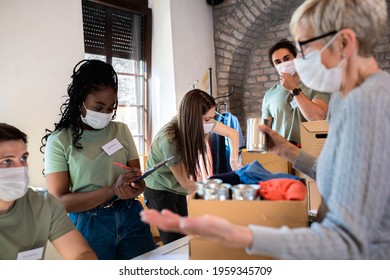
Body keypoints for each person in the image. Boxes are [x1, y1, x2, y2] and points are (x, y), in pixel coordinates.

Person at [140, 0, 390, 259]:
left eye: (304, 49)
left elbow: (347, 242)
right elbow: (337, 173)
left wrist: (242, 235)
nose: (299, 62)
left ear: (345, 42)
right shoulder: (344, 97)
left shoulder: (368, 103)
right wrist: (288, 150)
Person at [41, 59, 156, 260]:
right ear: (80, 99)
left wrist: (136, 186)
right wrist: (113, 189)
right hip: (90, 223)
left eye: (111, 108)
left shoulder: (121, 130)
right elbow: (60, 201)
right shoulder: (60, 140)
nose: (105, 114)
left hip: (130, 215)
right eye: (98, 107)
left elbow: (138, 179)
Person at [143, 89, 241, 244]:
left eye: (211, 118)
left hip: (177, 187)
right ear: (193, 119)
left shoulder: (200, 121)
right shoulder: (170, 141)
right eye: (207, 120)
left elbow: (233, 134)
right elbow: (186, 183)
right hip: (159, 189)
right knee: (174, 240)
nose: (211, 124)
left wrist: (234, 160)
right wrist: (222, 185)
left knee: (185, 236)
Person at [0, 123, 97, 260]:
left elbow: (81, 254)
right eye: (7, 161)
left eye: (23, 158)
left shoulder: (44, 203)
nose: (20, 168)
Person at [261, 38, 330, 145]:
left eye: (287, 59)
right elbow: (265, 132)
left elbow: (318, 118)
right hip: (282, 156)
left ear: (296, 59)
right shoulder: (269, 95)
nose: (283, 64)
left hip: (311, 152)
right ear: (274, 67)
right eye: (278, 62)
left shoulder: (315, 85)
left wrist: (293, 88)